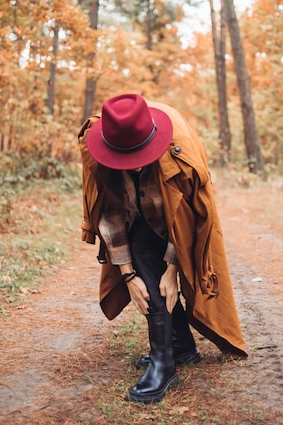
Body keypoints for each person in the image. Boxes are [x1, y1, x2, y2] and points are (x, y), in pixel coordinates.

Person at [78, 93, 247, 404]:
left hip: (174, 215)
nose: (130, 164)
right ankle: (179, 349)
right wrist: (129, 277)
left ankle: (164, 364)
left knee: (163, 279)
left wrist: (172, 267)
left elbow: (187, 220)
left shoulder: (179, 157)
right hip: (136, 217)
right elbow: (110, 216)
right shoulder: (97, 154)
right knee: (143, 264)